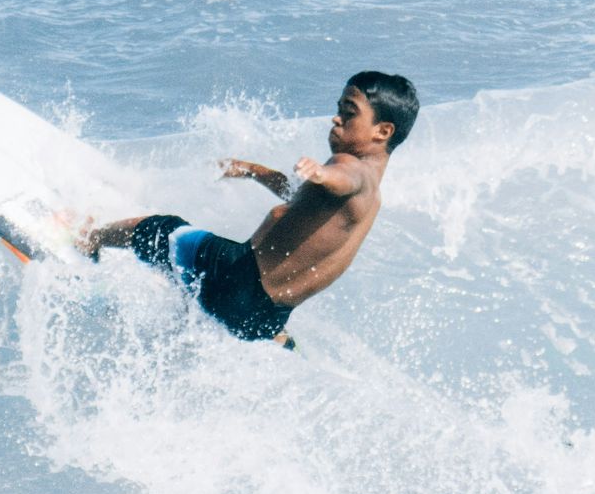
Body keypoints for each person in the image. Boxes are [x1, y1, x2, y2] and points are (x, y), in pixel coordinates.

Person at [79, 70, 419, 345]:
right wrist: (252, 170)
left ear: (383, 131)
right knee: (206, 289)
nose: (335, 118)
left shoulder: (350, 169)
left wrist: (321, 172)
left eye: (348, 113)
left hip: (238, 279)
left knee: (159, 229)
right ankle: (280, 343)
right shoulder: (371, 197)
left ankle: (89, 239)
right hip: (265, 315)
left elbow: (341, 178)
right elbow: (301, 196)